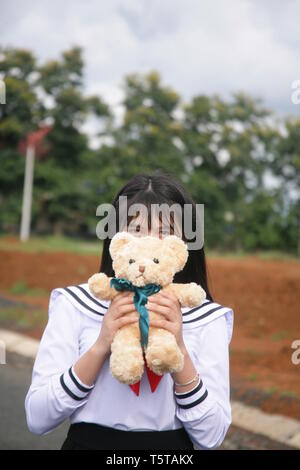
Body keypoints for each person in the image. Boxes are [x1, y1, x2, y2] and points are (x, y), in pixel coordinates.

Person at [24, 172, 234, 450]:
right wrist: (101, 344)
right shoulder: (74, 303)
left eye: (165, 233)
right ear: (116, 238)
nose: (147, 244)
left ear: (183, 245)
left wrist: (179, 348)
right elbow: (38, 418)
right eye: (135, 231)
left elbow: (211, 437)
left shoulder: (208, 318)